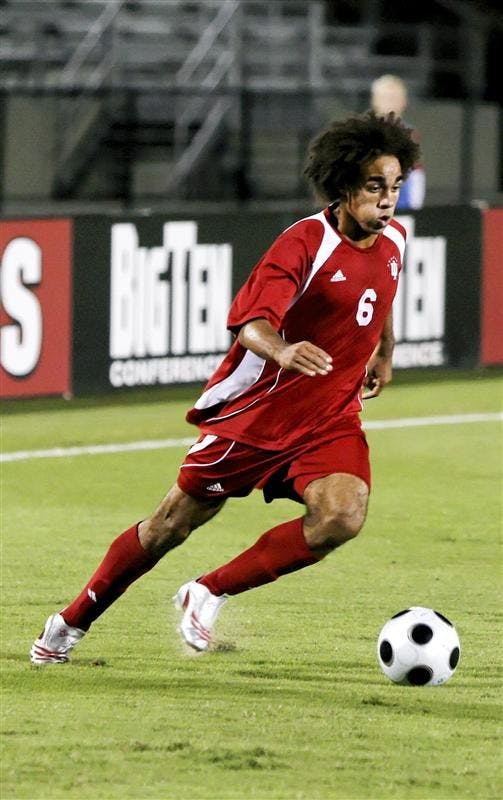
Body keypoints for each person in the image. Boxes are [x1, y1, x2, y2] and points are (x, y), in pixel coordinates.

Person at [30, 111, 420, 664]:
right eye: (375, 186)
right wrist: (283, 350)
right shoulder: (304, 244)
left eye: (395, 187)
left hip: (328, 418)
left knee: (342, 516)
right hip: (256, 419)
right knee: (170, 526)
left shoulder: (395, 238)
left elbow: (383, 294)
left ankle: (208, 591)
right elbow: (249, 322)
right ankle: (66, 625)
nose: (387, 200)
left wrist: (385, 351)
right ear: (342, 184)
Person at [370, 74, 425, 210]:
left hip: (401, 205)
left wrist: (415, 205)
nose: (390, 103)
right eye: (385, 98)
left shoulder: (410, 134)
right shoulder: (364, 132)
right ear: (375, 100)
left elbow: (416, 173)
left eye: (394, 98)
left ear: (404, 101)